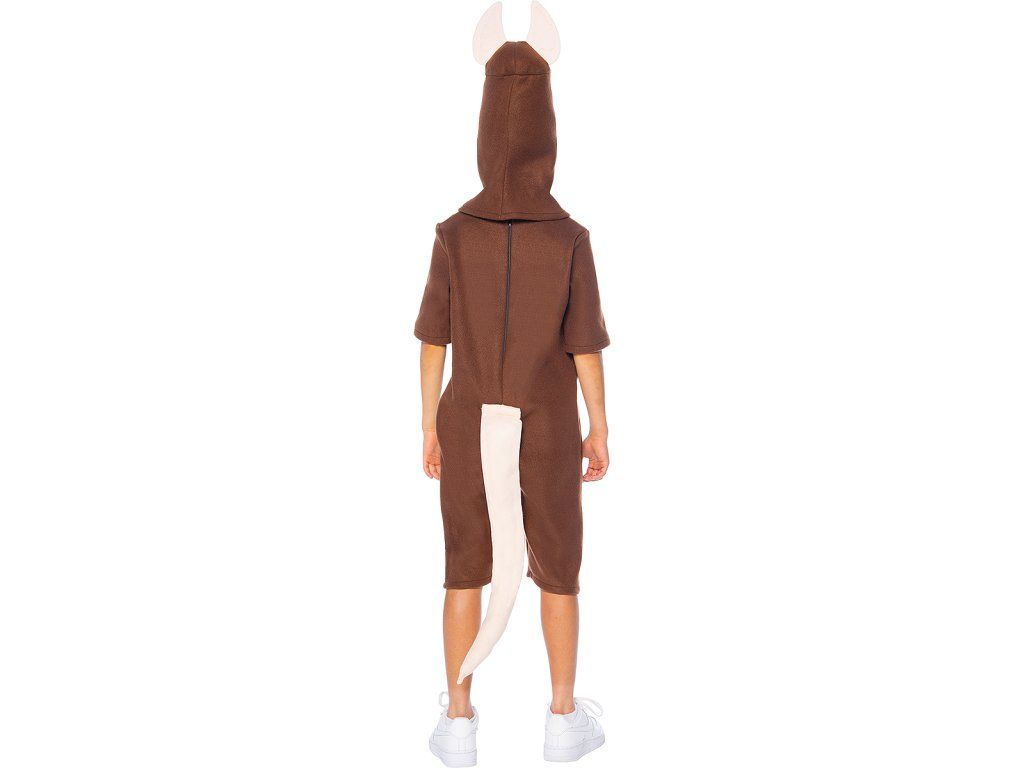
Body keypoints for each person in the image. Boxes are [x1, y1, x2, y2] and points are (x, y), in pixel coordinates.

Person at [416, 4, 609, 764]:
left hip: (467, 418)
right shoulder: (569, 238)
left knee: (465, 563)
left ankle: (459, 722)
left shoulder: (453, 234)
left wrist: (428, 426)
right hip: (549, 421)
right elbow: (584, 345)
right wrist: (599, 426)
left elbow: (434, 338)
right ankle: (562, 721)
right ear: (547, 131)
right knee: (557, 566)